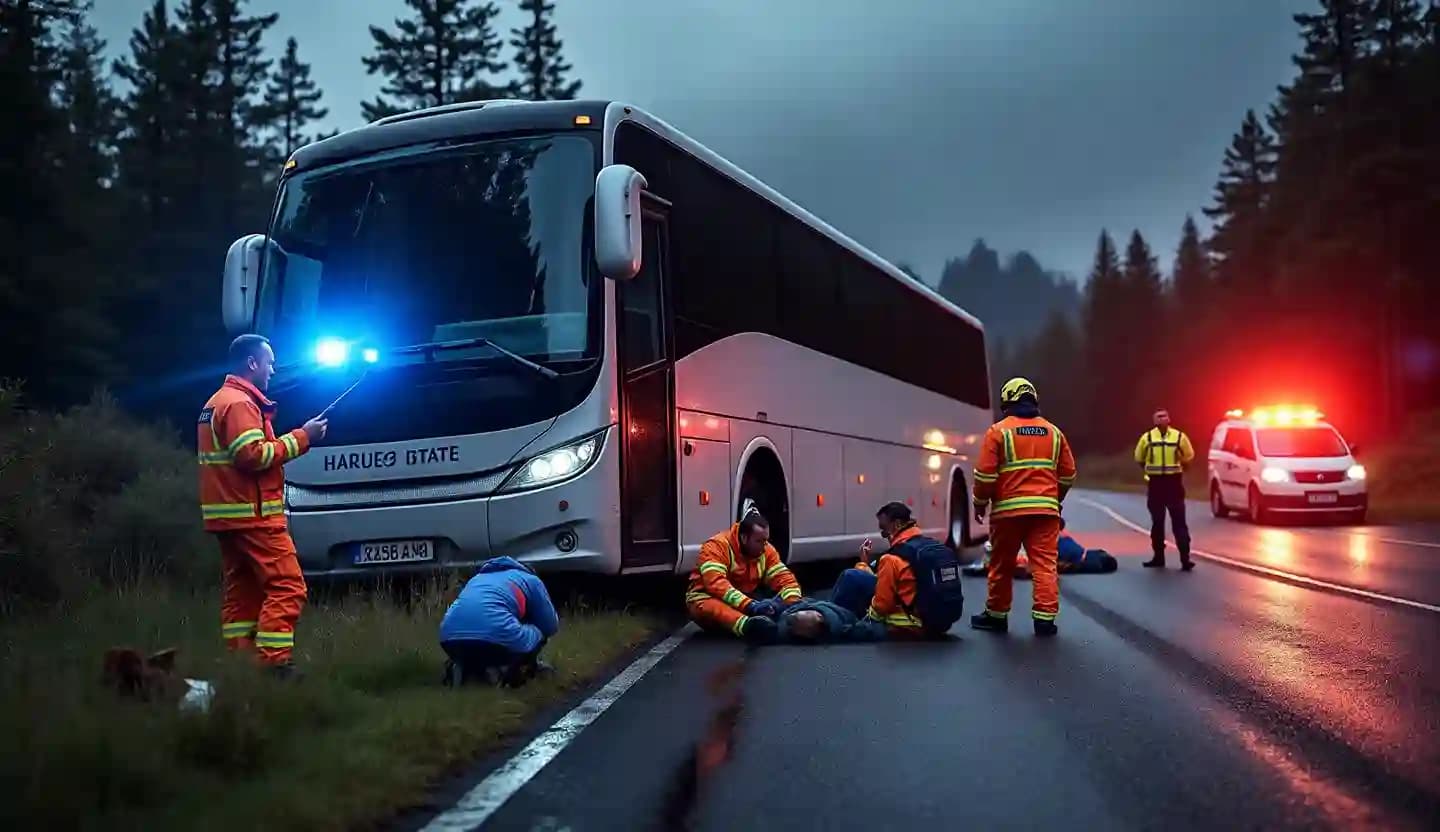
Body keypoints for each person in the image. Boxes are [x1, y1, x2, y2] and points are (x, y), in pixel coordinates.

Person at [198, 334, 327, 678]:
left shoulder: (217, 401)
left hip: (228, 520)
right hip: (253, 517)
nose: (273, 369)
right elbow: (251, 455)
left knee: (243, 596)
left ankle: (241, 666)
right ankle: (274, 664)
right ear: (252, 363)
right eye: (269, 362)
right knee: (288, 586)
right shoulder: (239, 404)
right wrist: (303, 438)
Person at [970, 377, 1077, 637]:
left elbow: (985, 476)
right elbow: (1068, 474)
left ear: (1007, 400)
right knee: (1044, 565)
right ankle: (1044, 620)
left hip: (1008, 513)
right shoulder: (1054, 432)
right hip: (1045, 513)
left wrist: (980, 502)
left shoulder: (998, 432)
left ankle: (996, 615)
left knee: (1001, 564)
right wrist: (1055, 498)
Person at [685, 504, 804, 643]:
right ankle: (748, 626)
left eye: (766, 540)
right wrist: (750, 606)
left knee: (773, 607)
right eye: (759, 541)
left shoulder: (766, 550)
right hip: (707, 597)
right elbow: (716, 584)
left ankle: (755, 624)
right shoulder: (716, 546)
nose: (764, 546)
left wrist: (790, 605)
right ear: (744, 538)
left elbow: (785, 579)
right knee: (711, 607)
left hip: (746, 599)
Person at [439, 557, 560, 687]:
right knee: (537, 630)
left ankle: (465, 668)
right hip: (497, 639)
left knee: (478, 636)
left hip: (449, 638)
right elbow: (550, 626)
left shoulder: (476, 579)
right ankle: (514, 672)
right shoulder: (531, 580)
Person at [836, 502, 930, 640]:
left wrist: (864, 621)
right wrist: (864, 564)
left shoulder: (892, 558)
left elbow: (881, 606)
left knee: (849, 577)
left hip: (904, 627)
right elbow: (888, 580)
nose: (883, 534)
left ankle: (830, 618)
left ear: (897, 524)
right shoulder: (922, 547)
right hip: (929, 623)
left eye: (884, 528)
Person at [1135, 408, 1196, 571]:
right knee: (1160, 522)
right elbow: (1139, 458)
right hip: (1159, 484)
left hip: (1171, 484)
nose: (1162, 421)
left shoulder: (1176, 437)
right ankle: (1161, 557)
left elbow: (1188, 456)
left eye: (1164, 417)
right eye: (1159, 418)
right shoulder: (1148, 438)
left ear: (1169, 420)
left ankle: (1183, 558)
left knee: (1177, 522)